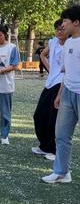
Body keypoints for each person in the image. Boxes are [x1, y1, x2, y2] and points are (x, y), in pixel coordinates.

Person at [42, 5, 80, 184]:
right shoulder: (68, 43)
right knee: (62, 135)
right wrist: (59, 94)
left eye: (65, 21)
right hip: (67, 94)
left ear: (76, 22)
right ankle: (61, 172)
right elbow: (66, 72)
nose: (62, 25)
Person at [32, 20, 67, 161]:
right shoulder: (53, 42)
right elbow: (42, 55)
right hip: (50, 82)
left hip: (62, 84)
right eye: (57, 29)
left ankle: (54, 149)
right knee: (39, 115)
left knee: (54, 118)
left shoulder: (71, 45)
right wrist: (51, 70)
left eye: (62, 29)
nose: (59, 32)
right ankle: (44, 146)